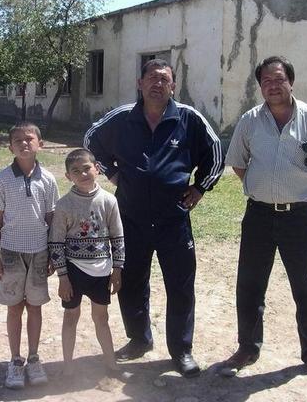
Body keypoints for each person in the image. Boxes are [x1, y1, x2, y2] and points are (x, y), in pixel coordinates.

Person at [84, 58, 224, 378]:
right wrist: (114, 174)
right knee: (131, 282)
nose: (158, 84)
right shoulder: (122, 118)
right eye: (152, 78)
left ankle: (181, 350)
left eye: (165, 79)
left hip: (173, 219)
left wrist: (201, 188)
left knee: (180, 284)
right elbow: (91, 141)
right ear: (140, 83)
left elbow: (215, 152)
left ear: (173, 85)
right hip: (130, 217)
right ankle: (138, 339)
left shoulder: (188, 119)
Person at [222, 55, 307, 380]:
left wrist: (301, 192)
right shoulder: (249, 120)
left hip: (299, 218)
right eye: (266, 81)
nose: (272, 86)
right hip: (258, 216)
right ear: (260, 85)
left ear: (291, 81)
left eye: (278, 79)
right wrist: (261, 188)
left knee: (306, 288)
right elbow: (238, 163)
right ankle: (247, 348)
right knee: (249, 285)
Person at [0, 121, 59, 389]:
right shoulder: (2, 179)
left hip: (40, 252)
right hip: (10, 253)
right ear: (10, 147)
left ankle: (34, 357)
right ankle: (16, 361)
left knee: (35, 306)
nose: (24, 143)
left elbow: (51, 217)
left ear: (40, 144)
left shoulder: (48, 179)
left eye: (30, 139)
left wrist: (54, 252)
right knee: (14, 307)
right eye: (18, 140)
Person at [48, 148, 125, 376]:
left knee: (102, 318)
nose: (83, 174)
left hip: (102, 271)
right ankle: (68, 366)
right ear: (67, 176)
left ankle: (111, 363)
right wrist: (63, 277)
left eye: (87, 169)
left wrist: (117, 269)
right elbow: (56, 243)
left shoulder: (109, 201)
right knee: (71, 316)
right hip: (73, 272)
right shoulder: (63, 205)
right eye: (75, 171)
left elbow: (117, 236)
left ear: (97, 169)